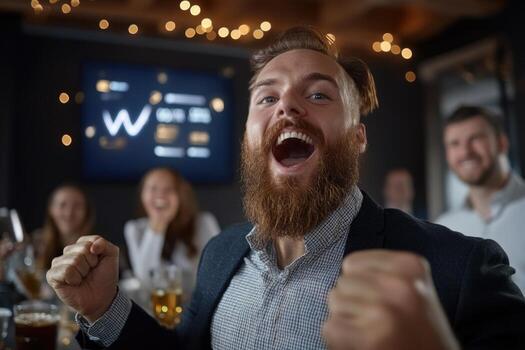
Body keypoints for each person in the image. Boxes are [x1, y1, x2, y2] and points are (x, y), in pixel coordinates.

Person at [46, 27, 525, 350]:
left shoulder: (461, 270)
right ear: (249, 136)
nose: (287, 107)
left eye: (318, 94)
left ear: (358, 136)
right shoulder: (220, 253)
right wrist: (104, 308)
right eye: (268, 97)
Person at [436, 105, 525, 292]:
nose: (465, 152)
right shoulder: (444, 228)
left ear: (502, 144)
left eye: (475, 139)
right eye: (454, 144)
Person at [123, 167, 220, 294]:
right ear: (143, 195)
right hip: (155, 309)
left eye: (168, 189)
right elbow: (146, 281)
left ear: (181, 195)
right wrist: (157, 225)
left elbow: (217, 274)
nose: (160, 195)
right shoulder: (134, 229)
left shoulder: (204, 223)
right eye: (153, 188)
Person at [33, 183, 95, 270]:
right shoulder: (33, 245)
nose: (69, 213)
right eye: (62, 205)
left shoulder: (97, 249)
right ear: (51, 209)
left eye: (77, 206)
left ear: (86, 212)